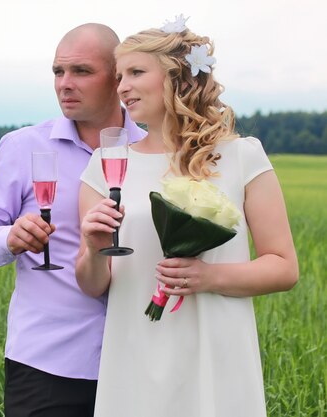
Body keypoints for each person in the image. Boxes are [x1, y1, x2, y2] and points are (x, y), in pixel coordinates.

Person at [75, 17, 299, 417]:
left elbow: (284, 267)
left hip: (217, 348)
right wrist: (93, 251)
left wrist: (210, 277)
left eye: (136, 72)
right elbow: (93, 285)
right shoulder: (105, 165)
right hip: (136, 350)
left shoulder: (242, 156)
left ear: (177, 77)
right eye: (119, 75)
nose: (122, 86)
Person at [0, 23, 146, 417]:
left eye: (80, 71)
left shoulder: (154, 151)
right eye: (57, 72)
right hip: (46, 361)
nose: (64, 83)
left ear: (118, 79)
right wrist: (9, 237)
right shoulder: (22, 147)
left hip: (140, 358)